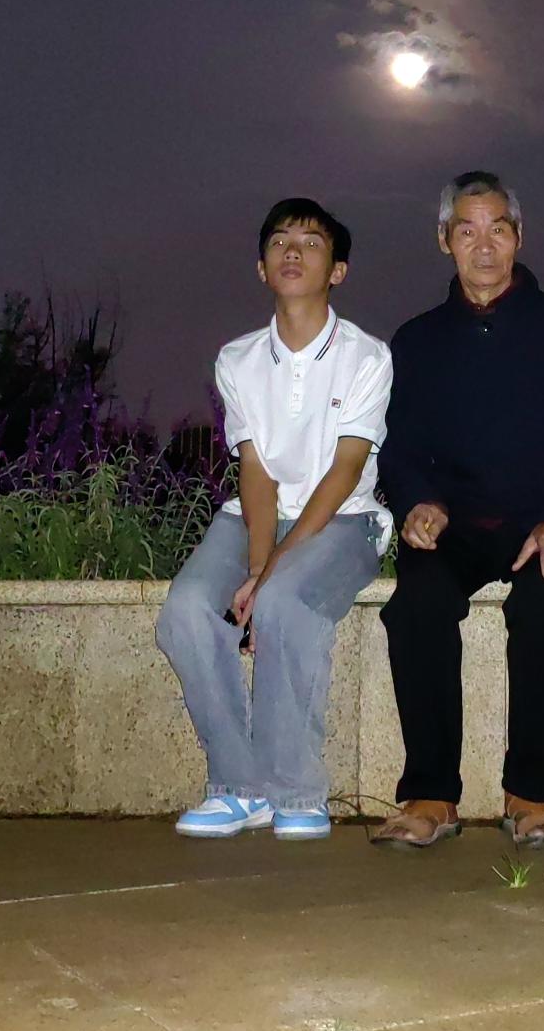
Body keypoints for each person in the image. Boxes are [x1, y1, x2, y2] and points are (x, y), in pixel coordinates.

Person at [370, 172, 544, 848]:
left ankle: (529, 792)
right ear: (444, 240)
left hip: (542, 523)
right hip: (456, 525)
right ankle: (431, 795)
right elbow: (399, 444)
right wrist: (417, 502)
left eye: (497, 229)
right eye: (467, 230)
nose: (484, 245)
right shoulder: (417, 339)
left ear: (519, 236)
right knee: (415, 606)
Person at [155, 198, 392, 841]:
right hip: (255, 517)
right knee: (185, 611)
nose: (293, 252)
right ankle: (240, 787)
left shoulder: (367, 357)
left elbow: (345, 470)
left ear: (337, 270)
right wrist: (259, 563)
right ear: (261, 267)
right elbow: (255, 469)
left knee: (286, 601)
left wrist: (271, 577)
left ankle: (296, 790)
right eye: (280, 241)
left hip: (345, 520)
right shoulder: (237, 359)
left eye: (312, 243)